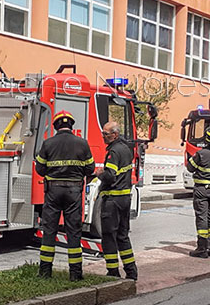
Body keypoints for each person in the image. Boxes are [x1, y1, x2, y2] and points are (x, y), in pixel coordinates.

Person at [35, 110, 95, 281]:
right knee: (74, 232)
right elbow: (90, 168)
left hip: (53, 192)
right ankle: (75, 274)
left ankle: (45, 272)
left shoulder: (48, 143)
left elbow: (40, 169)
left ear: (55, 126)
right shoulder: (82, 143)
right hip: (74, 192)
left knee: (49, 231)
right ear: (71, 126)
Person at [94, 121, 138, 280]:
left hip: (112, 199)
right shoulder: (126, 149)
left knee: (108, 236)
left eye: (106, 134)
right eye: (103, 133)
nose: (103, 137)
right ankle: (131, 271)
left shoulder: (114, 151)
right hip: (124, 199)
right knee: (122, 236)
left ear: (115, 134)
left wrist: (100, 173)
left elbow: (110, 176)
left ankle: (113, 272)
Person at [186, 126, 210, 258]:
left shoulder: (201, 154)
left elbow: (190, 168)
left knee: (202, 218)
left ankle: (202, 248)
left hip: (202, 190)